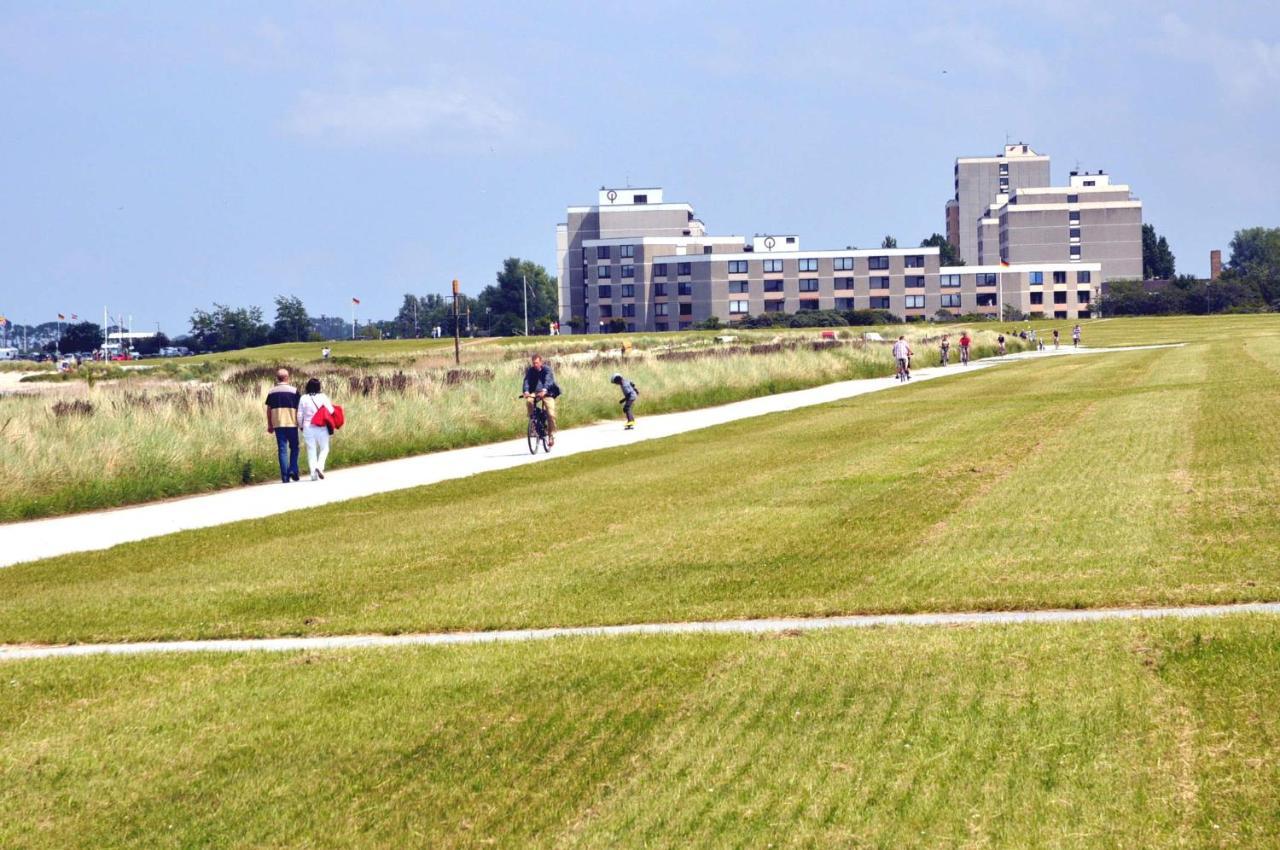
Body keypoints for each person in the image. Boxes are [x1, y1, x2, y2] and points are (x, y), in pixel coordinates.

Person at [265, 368, 300, 483]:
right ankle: (293, 468)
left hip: (278, 424)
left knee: (282, 449)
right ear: (287, 377)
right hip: (291, 423)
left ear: (277, 378)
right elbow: (299, 409)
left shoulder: (271, 392)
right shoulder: (294, 391)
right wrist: (300, 423)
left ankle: (285, 477)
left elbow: (269, 410)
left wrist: (270, 424)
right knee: (294, 447)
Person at [298, 377, 335, 481]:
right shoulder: (323, 397)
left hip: (307, 426)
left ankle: (313, 474)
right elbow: (331, 410)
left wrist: (300, 425)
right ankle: (319, 467)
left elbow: (300, 414)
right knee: (324, 448)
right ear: (319, 387)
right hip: (321, 426)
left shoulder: (303, 398)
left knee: (311, 450)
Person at [521, 354, 561, 446]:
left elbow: (548, 380)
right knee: (529, 401)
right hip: (536, 392)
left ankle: (551, 435)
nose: (535, 365)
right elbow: (526, 381)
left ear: (541, 362)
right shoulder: (531, 371)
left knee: (550, 414)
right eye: (533, 363)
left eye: (537, 363)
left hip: (548, 393)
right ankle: (533, 421)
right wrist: (526, 391)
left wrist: (544, 390)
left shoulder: (547, 370)